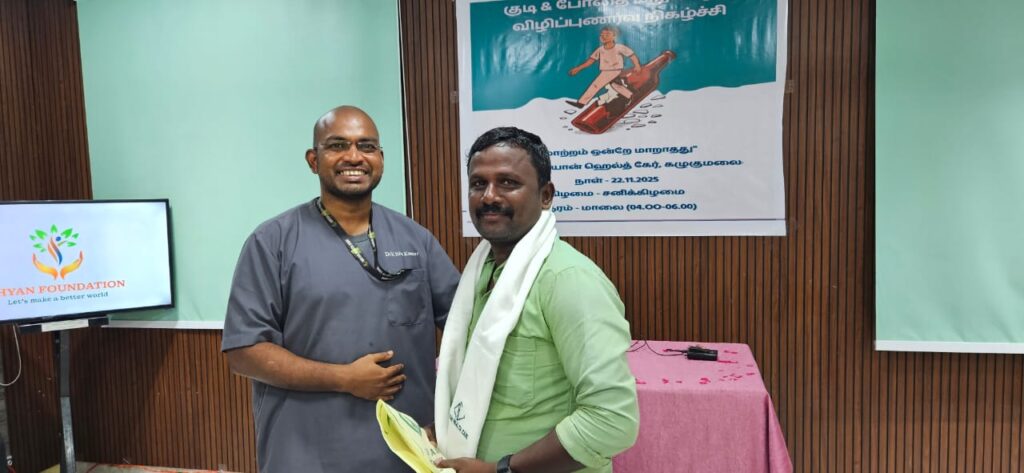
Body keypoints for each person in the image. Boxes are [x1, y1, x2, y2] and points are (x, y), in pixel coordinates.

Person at [221, 105, 460, 473]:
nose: (354, 157)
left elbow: (467, 328)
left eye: (366, 146)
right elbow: (244, 351)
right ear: (313, 160)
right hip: (307, 454)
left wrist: (449, 420)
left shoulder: (416, 240)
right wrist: (344, 378)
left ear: (381, 159)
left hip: (405, 453)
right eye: (337, 145)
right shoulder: (273, 242)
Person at [434, 127, 639, 472]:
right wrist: (442, 430)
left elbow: (612, 420)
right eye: (478, 183)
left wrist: (502, 470)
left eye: (508, 183)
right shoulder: (482, 272)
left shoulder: (568, 280)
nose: (489, 196)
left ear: (545, 196)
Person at [566, 26, 643, 109]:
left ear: (614, 36)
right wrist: (578, 69)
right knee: (615, 85)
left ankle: (581, 103)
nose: (603, 36)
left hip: (614, 70)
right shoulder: (600, 50)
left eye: (607, 34)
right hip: (605, 70)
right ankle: (631, 96)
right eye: (601, 35)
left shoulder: (619, 47)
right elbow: (590, 61)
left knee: (595, 85)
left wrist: (637, 65)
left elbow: (632, 55)